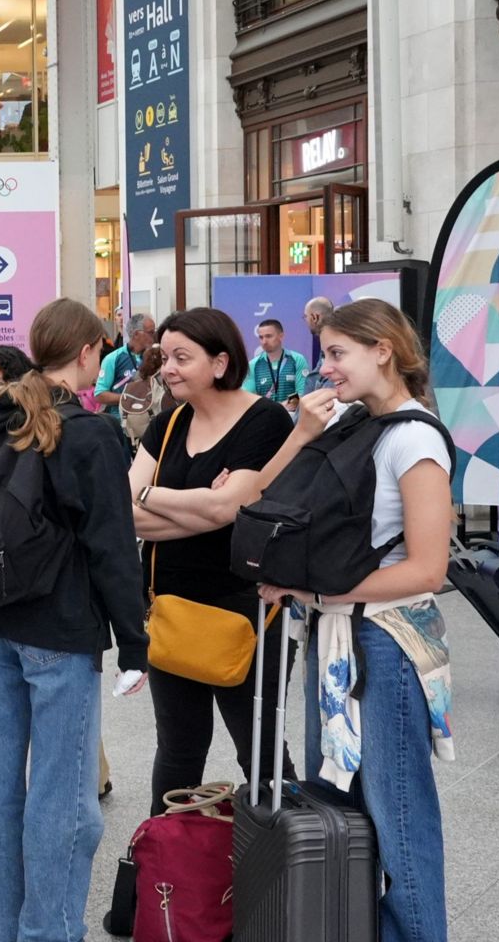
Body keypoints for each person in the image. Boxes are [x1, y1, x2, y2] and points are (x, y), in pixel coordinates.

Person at [247, 299, 453, 942]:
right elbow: (259, 502)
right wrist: (302, 434)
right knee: (343, 810)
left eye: (338, 354)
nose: (326, 368)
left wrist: (317, 585)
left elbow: (426, 568)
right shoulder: (353, 424)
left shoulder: (415, 437)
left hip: (384, 644)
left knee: (397, 818)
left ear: (382, 350)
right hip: (338, 636)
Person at [0, 301, 150, 942]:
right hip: (59, 635)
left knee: (3, 793)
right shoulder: (92, 434)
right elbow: (113, 548)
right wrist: (134, 645)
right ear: (91, 350)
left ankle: (6, 932)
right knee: (63, 804)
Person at [131, 307, 296, 812]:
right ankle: (163, 867)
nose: (167, 368)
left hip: (244, 612)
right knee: (179, 750)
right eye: (165, 357)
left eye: (183, 357)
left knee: (260, 750)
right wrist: (201, 500)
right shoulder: (167, 422)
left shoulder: (264, 421)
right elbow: (125, 512)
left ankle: (288, 865)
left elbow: (233, 508)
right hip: (171, 608)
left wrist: (152, 494)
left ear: (221, 363)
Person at [95, 314, 154, 423]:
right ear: (136, 334)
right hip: (122, 423)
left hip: (149, 421)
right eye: (151, 332)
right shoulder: (113, 358)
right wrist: (129, 397)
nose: (154, 336)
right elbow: (100, 394)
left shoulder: (154, 357)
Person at [244, 318, 310, 408]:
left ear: (281, 336)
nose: (264, 342)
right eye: (261, 337)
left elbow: (303, 393)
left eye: (268, 336)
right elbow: (248, 397)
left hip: (291, 417)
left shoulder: (297, 360)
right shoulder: (253, 365)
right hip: (264, 417)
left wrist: (280, 407)